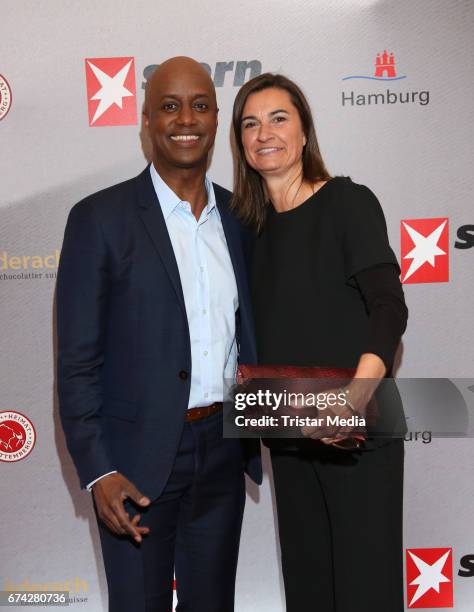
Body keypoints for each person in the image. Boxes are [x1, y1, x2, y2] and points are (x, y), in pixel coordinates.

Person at [56, 56, 261, 612]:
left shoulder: (241, 217)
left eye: (199, 105)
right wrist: (98, 469)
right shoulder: (99, 219)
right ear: (146, 120)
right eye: (169, 106)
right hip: (134, 463)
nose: (184, 119)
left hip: (222, 450)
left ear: (217, 119)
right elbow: (76, 363)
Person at [231, 73, 408, 612]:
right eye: (250, 123)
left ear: (305, 131)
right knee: (309, 594)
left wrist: (353, 398)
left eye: (279, 118)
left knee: (365, 594)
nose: (266, 133)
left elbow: (389, 306)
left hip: (360, 432)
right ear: (240, 142)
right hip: (290, 435)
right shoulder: (247, 230)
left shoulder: (347, 203)